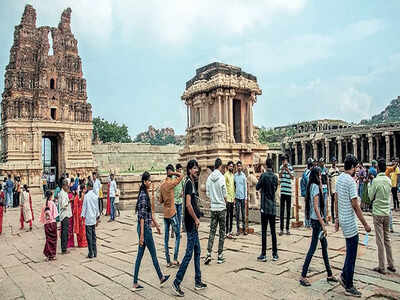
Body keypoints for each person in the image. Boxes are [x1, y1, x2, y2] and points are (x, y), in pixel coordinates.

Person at [335, 154, 371, 297]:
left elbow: (336, 199)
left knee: (350, 251)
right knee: (351, 253)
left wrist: (337, 218)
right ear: (353, 167)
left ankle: (344, 275)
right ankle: (348, 284)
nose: (357, 169)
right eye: (356, 167)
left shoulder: (340, 179)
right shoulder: (350, 181)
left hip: (343, 219)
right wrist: (366, 224)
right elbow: (355, 205)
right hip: (349, 221)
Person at [172, 160, 207, 297]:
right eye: (193, 168)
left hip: (193, 223)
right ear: (189, 170)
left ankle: (198, 281)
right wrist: (196, 218)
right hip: (191, 224)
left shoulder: (191, 183)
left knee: (197, 251)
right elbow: (187, 204)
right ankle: (177, 281)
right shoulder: (188, 183)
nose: (196, 170)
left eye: (197, 168)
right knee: (188, 254)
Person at [132, 171, 170, 290]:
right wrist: (142, 235)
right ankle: (161, 277)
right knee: (153, 254)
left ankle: (135, 282)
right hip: (145, 230)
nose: (150, 182)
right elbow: (142, 217)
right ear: (144, 182)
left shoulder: (144, 194)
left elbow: (148, 213)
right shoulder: (143, 196)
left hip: (145, 228)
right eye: (149, 180)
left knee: (139, 256)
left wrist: (157, 224)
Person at [299, 167, 337, 286]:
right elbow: (316, 207)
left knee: (324, 247)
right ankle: (303, 275)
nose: (321, 177)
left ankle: (329, 273)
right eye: (320, 175)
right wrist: (323, 224)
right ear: (316, 176)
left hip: (315, 219)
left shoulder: (313, 186)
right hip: (316, 221)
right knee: (313, 248)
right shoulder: (315, 187)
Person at [368, 158, 396, 274]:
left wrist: (370, 184)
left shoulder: (376, 181)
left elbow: (370, 196)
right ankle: (391, 264)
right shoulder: (388, 180)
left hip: (378, 213)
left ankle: (382, 266)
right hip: (387, 212)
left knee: (380, 240)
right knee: (387, 239)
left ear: (378, 168)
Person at [159, 164, 184, 267]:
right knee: (178, 235)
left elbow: (160, 200)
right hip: (172, 213)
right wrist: (173, 173)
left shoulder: (162, 185)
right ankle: (175, 258)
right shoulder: (171, 183)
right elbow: (181, 176)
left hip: (165, 214)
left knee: (166, 238)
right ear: (171, 172)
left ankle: (168, 261)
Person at [205, 158, 227, 265]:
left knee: (212, 231)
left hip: (213, 208)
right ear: (220, 166)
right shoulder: (222, 178)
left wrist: (214, 198)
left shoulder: (209, 178)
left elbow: (208, 194)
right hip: (221, 208)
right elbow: (224, 194)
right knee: (222, 232)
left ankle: (208, 253)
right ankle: (220, 255)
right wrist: (224, 201)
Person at [256, 158, 278, 262]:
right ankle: (275, 254)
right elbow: (275, 189)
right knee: (273, 231)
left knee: (264, 231)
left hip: (264, 206)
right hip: (272, 207)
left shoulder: (263, 176)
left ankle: (264, 254)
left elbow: (257, 187)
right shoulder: (274, 176)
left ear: (265, 165)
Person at [81, 180, 100, 258]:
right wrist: (97, 217)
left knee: (89, 237)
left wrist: (82, 216)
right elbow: (97, 209)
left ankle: (91, 253)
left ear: (88, 187)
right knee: (94, 236)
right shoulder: (95, 196)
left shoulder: (86, 196)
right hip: (93, 218)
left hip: (88, 219)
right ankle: (95, 252)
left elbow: (84, 208)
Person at [39, 190, 58, 261]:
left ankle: (47, 254)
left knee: (48, 239)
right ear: (51, 196)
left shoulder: (44, 205)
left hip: (46, 224)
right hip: (52, 223)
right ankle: (52, 254)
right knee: (53, 239)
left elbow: (42, 217)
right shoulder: (52, 204)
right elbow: (55, 215)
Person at [279, 156, 294, 235]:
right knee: (282, 211)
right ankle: (281, 229)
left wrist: (287, 170)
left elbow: (292, 177)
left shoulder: (290, 167)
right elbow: (280, 176)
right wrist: (283, 169)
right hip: (282, 191)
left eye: (286, 160)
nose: (285, 162)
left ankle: (287, 228)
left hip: (288, 192)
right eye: (284, 161)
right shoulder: (281, 167)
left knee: (288, 211)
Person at [59, 179, 72, 254]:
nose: (68, 187)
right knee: (65, 232)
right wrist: (70, 200)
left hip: (65, 215)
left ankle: (64, 247)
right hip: (65, 215)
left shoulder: (63, 193)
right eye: (67, 186)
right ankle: (64, 249)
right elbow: (64, 205)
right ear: (64, 186)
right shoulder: (63, 194)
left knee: (65, 232)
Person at [234, 161, 247, 236]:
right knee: (237, 214)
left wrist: (245, 198)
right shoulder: (235, 176)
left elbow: (245, 187)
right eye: (238, 166)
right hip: (237, 197)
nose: (239, 167)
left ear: (241, 167)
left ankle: (244, 229)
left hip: (242, 197)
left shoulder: (243, 176)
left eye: (240, 166)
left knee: (243, 214)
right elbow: (234, 186)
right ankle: (238, 230)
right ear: (237, 167)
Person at [301, 158, 314, 228]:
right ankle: (308, 223)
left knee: (308, 208)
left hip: (306, 193)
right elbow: (308, 183)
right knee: (310, 208)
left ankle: (307, 222)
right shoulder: (308, 173)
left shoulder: (305, 172)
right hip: (308, 193)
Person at [74, 184, 88, 248]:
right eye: (85, 188)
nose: (86, 190)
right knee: (83, 229)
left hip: (78, 213)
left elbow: (75, 204)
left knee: (80, 228)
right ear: (82, 189)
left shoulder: (77, 195)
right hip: (82, 212)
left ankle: (79, 242)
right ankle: (83, 243)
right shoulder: (84, 196)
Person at [224, 161, 235, 238]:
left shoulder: (232, 175)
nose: (231, 167)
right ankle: (226, 231)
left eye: (232, 166)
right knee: (227, 215)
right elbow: (224, 187)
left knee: (231, 215)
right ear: (227, 167)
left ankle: (230, 230)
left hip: (232, 198)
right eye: (230, 166)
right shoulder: (226, 175)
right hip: (227, 198)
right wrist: (225, 198)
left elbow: (233, 187)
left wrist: (234, 197)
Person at [173, 163, 185, 234]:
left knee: (179, 216)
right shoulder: (173, 177)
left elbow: (183, 186)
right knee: (174, 216)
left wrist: (182, 192)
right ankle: (173, 230)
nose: (180, 171)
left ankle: (178, 231)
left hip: (180, 200)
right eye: (179, 169)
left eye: (181, 169)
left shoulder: (182, 177)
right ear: (176, 169)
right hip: (174, 199)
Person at [328, 158, 340, 223]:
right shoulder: (330, 170)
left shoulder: (337, 170)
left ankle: (337, 217)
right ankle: (333, 217)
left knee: (337, 204)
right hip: (332, 189)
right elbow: (329, 181)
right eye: (333, 161)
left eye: (335, 161)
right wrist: (330, 190)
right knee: (332, 204)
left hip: (337, 189)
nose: (334, 162)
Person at [319, 158, 329, 223]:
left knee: (325, 204)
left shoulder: (325, 170)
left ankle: (325, 218)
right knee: (320, 204)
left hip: (325, 188)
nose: (322, 163)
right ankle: (321, 217)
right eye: (321, 162)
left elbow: (327, 179)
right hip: (320, 189)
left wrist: (328, 189)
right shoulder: (318, 169)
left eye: (323, 162)